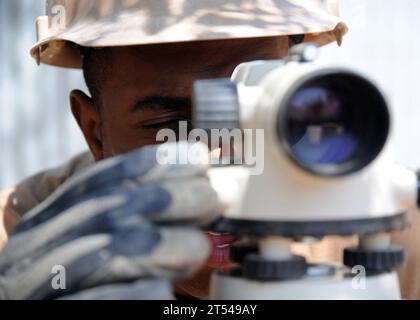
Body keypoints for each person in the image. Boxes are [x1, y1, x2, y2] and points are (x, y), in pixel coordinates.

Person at [1, 0, 417, 300]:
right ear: (95, 132)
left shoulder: (392, 229)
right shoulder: (16, 249)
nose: (219, 155)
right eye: (169, 126)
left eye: (256, 108)